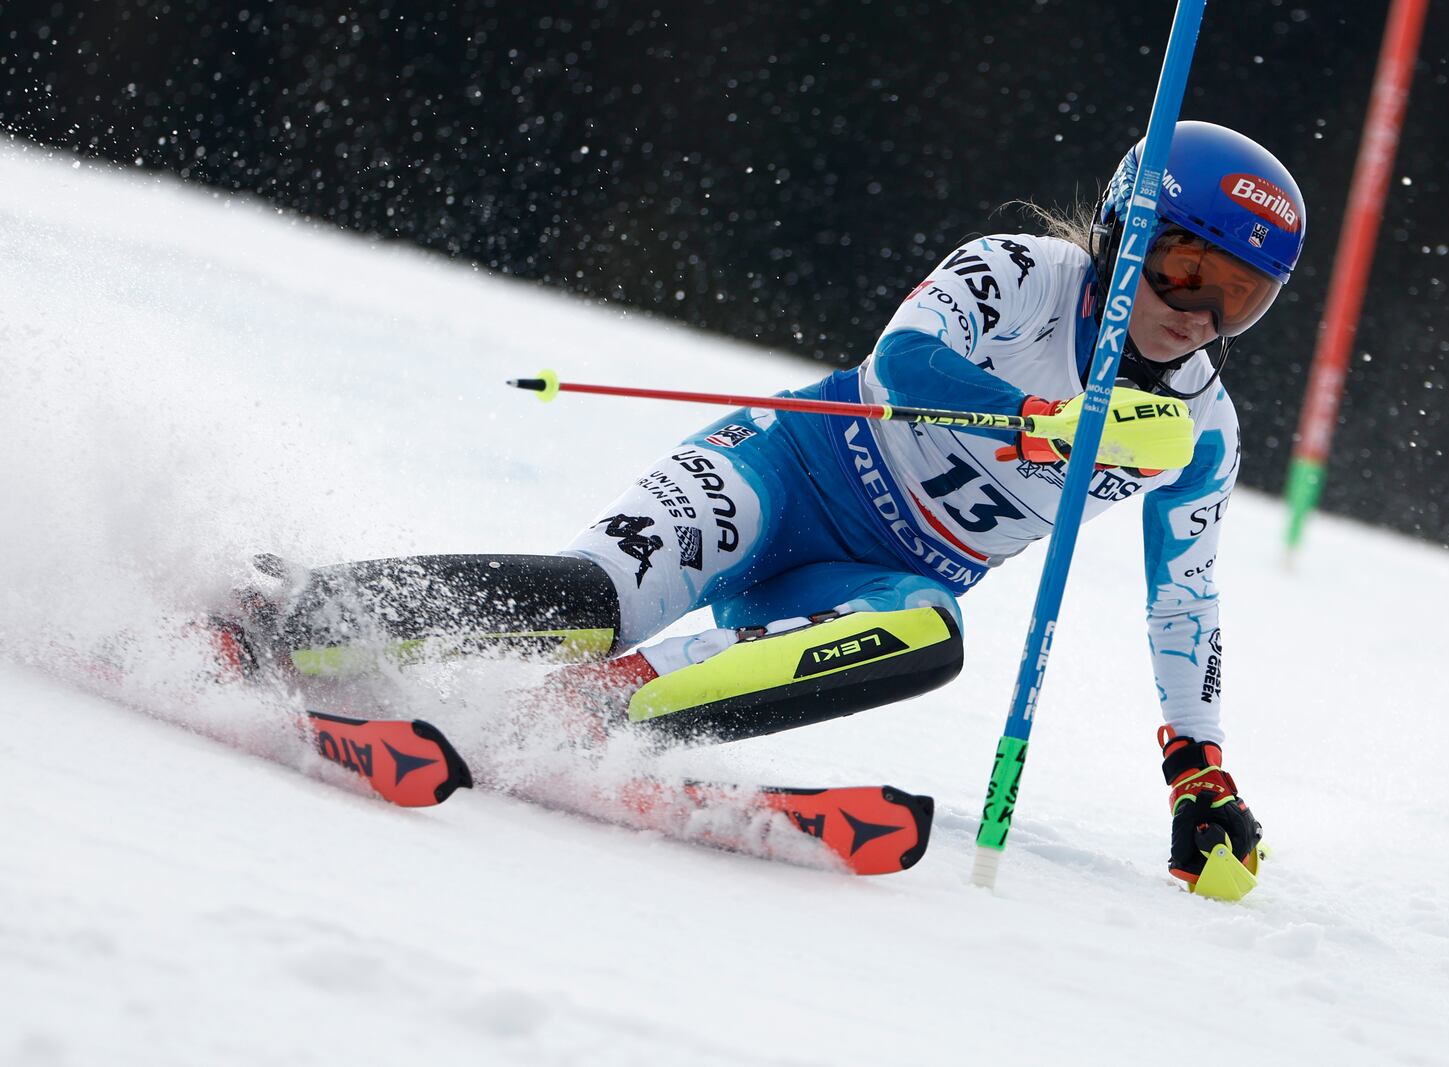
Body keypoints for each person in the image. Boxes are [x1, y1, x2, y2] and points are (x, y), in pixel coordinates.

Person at [217, 121, 1306, 887]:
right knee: (595, 596)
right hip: (784, 470)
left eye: (1239, 298)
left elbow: (1186, 602)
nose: (1198, 314)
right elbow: (906, 361)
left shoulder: (1201, 435)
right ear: (1124, 228)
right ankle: (291, 616)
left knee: (927, 636)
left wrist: (1195, 770)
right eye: (1181, 268)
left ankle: (580, 712)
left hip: (882, 571)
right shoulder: (1021, 273)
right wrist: (1039, 419)